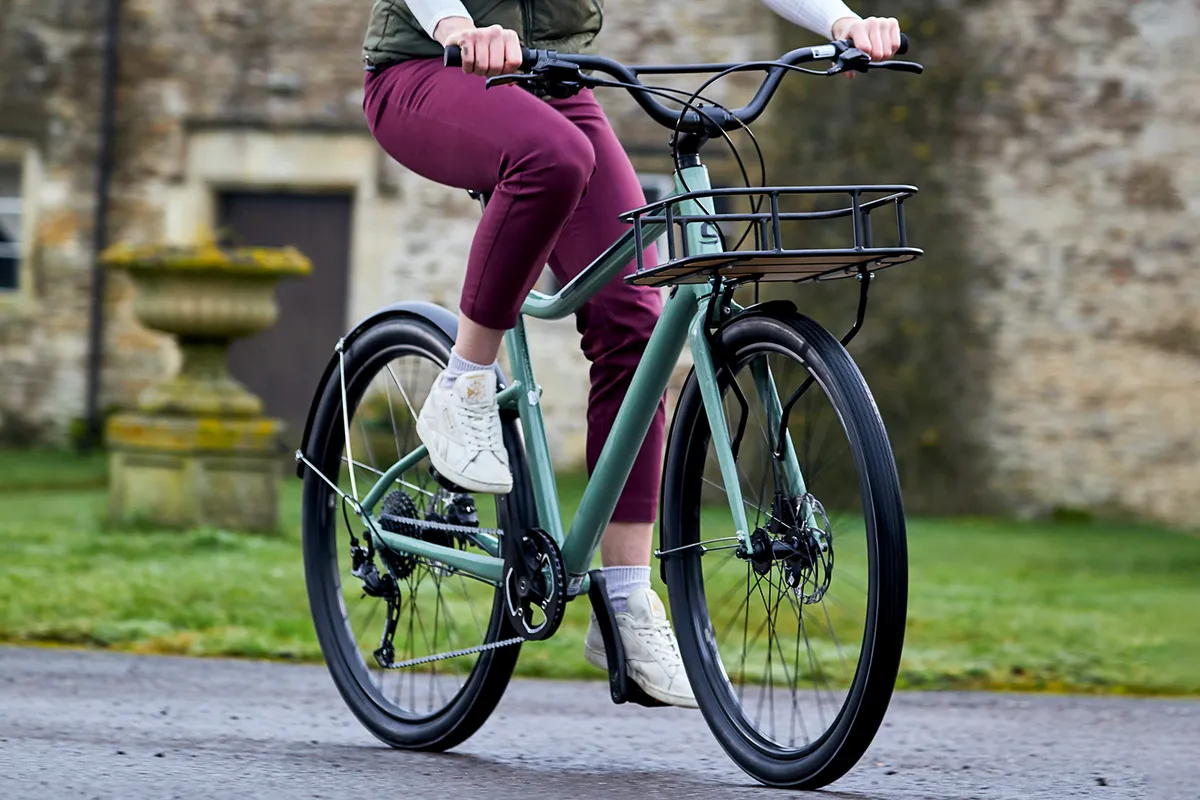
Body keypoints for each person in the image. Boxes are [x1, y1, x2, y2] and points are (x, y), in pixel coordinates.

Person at [362, 0, 902, 708]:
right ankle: (465, 381)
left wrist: (841, 21)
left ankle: (624, 599)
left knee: (635, 319)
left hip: (553, 79)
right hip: (427, 70)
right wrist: (455, 28)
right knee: (552, 156)